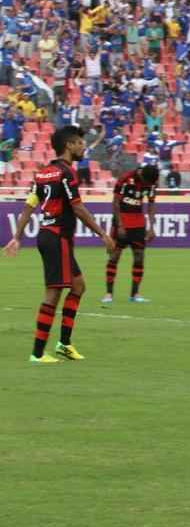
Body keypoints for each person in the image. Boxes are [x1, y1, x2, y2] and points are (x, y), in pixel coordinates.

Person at [4, 126, 116, 363]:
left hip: (50, 236)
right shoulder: (66, 173)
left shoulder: (43, 173)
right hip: (56, 237)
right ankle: (37, 353)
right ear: (69, 145)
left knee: (78, 286)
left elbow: (29, 206)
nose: (82, 146)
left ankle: (64, 344)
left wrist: (17, 236)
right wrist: (103, 234)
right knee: (53, 293)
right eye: (79, 143)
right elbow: (77, 207)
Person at [102, 165, 159, 306]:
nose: (148, 185)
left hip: (138, 224)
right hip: (122, 221)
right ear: (142, 175)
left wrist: (152, 227)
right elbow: (115, 203)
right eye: (146, 182)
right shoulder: (125, 179)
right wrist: (119, 225)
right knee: (114, 257)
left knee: (139, 257)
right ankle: (108, 294)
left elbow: (151, 204)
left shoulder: (151, 182)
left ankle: (135, 294)